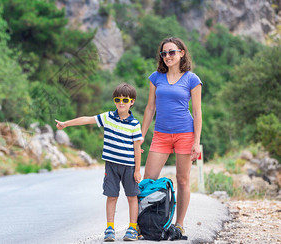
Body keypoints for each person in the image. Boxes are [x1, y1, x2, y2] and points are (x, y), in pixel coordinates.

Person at [55, 83, 144, 242]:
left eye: (125, 99)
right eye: (117, 99)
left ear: (132, 101)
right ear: (114, 100)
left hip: (129, 167)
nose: (121, 102)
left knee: (132, 197)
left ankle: (132, 228)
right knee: (111, 196)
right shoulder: (107, 117)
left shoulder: (135, 124)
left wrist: (137, 170)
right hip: (111, 165)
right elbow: (87, 119)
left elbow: (137, 149)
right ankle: (110, 227)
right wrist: (66, 123)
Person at [141, 37, 202, 240]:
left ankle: (180, 224)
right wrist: (141, 135)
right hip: (160, 135)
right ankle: (143, 224)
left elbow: (197, 112)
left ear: (181, 53)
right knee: (147, 180)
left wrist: (196, 142)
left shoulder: (192, 79)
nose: (167, 56)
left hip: (185, 134)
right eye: (164, 53)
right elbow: (150, 108)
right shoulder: (156, 78)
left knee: (183, 181)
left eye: (172, 52)